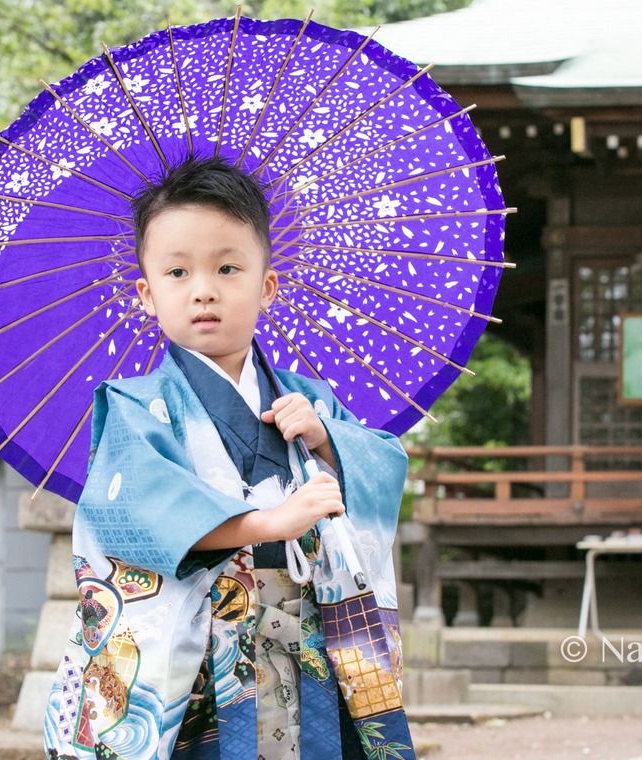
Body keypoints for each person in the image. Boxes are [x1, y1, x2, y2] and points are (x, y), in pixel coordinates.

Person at [42, 156, 413, 760]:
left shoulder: (308, 398)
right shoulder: (135, 407)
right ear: (147, 294)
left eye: (227, 268)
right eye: (177, 272)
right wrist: (269, 523)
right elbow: (137, 514)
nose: (203, 289)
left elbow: (383, 467)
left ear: (266, 286)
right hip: (201, 660)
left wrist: (325, 439)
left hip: (307, 639)